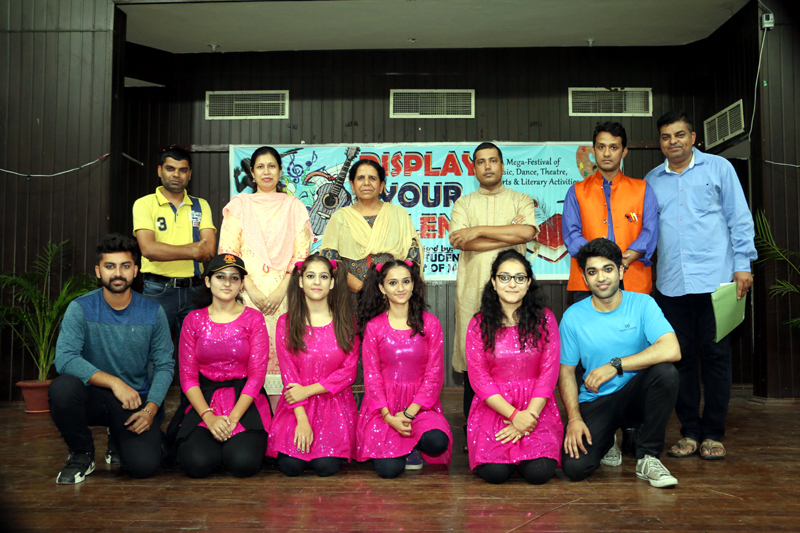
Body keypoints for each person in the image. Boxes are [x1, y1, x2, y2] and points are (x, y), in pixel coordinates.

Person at [645, 110, 757, 460]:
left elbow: (739, 219)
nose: (673, 142)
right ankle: (690, 432)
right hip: (672, 287)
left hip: (717, 283)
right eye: (666, 137)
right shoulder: (652, 181)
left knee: (717, 358)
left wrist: (743, 266)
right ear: (660, 143)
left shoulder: (719, 169)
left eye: (679, 135)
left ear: (693, 137)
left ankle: (713, 434)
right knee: (680, 362)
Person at [48, 234, 174, 484]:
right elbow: (65, 358)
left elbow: (165, 365)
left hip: (133, 401)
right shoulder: (80, 308)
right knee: (62, 388)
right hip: (92, 396)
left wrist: (150, 410)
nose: (118, 273)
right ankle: (81, 454)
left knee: (144, 466)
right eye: (110, 266)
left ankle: (118, 437)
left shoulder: (153, 312)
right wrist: (115, 382)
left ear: (135, 270)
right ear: (98, 271)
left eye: (125, 266)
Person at [559, 238, 681, 488]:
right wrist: (574, 419)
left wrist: (615, 365)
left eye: (608, 269)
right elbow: (566, 373)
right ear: (584, 277)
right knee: (575, 468)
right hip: (595, 399)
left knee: (666, 373)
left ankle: (648, 457)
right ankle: (608, 439)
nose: (601, 278)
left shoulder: (643, 303)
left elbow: (672, 349)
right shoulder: (573, 316)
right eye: (592, 272)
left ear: (621, 270)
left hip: (635, 395)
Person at [450, 142, 539, 447]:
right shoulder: (463, 203)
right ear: (473, 169)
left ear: (503, 166)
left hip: (512, 293)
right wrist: (504, 234)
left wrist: (479, 230)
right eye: (481, 162)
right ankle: (473, 433)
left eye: (493, 161)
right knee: (474, 359)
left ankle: (518, 423)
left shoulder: (520, 199)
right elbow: (460, 241)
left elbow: (527, 233)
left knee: (512, 356)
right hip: (472, 292)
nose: (487, 166)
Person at [320, 158, 422, 407]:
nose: (367, 183)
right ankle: (352, 412)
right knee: (351, 351)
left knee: (389, 351)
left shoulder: (397, 214)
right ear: (352, 185)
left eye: (372, 178)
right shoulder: (340, 217)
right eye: (360, 178)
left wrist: (389, 288)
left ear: (382, 184)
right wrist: (358, 285)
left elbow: (412, 253)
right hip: (349, 297)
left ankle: (393, 406)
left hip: (392, 297)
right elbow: (330, 258)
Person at [219, 146, 312, 404]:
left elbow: (302, 254)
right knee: (246, 358)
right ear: (252, 172)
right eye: (260, 167)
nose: (266, 171)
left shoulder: (294, 206)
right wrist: (251, 290)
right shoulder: (239, 205)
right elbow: (228, 252)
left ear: (280, 171)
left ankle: (279, 427)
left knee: (283, 362)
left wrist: (282, 289)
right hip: (245, 295)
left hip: (286, 296)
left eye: (272, 166)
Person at [165, 254, 270, 478]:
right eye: (220, 277)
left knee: (243, 464)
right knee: (197, 464)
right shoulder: (193, 320)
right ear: (207, 281)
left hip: (244, 398)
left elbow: (256, 376)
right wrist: (209, 417)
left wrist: (232, 420)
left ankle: (233, 445)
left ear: (242, 284)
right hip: (204, 399)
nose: (227, 283)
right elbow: (187, 377)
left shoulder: (254, 319)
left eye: (234, 278)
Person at [465, 249, 562, 484]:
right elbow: (479, 379)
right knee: (494, 474)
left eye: (519, 278)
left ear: (528, 283)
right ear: (494, 283)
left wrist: (528, 416)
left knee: (540, 473)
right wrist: (514, 415)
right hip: (496, 408)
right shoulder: (478, 324)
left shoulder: (545, 319)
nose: (512, 284)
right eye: (504, 277)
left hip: (536, 409)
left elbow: (549, 374)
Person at [355, 259, 452, 478]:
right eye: (393, 283)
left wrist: (409, 414)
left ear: (414, 285)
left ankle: (415, 444)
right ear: (382, 288)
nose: (400, 288)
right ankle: (401, 445)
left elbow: (434, 375)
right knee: (389, 471)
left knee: (438, 442)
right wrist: (389, 416)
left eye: (406, 281)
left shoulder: (430, 323)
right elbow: (372, 376)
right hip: (384, 408)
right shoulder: (374, 327)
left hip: (420, 406)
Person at [268, 255, 359, 476]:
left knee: (325, 467)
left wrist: (307, 390)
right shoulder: (286, 323)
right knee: (291, 467)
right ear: (300, 282)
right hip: (297, 405)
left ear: (332, 283)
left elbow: (348, 373)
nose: (317, 282)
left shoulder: (347, 321)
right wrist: (301, 419)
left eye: (323, 276)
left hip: (334, 403)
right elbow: (289, 375)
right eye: (310, 276)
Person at [562, 122, 658, 300]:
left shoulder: (643, 189)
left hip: (633, 279)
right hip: (588, 282)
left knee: (633, 328)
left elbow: (650, 232)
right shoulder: (576, 191)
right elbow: (571, 235)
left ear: (624, 152)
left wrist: (624, 260)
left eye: (614, 147)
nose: (607, 153)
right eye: (601, 147)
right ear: (593, 150)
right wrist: (600, 263)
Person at [133, 147, 216, 338]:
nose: (176, 174)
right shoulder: (144, 204)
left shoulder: (200, 205)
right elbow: (148, 249)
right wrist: (194, 250)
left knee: (195, 354)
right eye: (170, 169)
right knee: (154, 353)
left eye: (183, 170)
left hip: (195, 291)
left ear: (190, 174)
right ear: (159, 170)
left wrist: (167, 249)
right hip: (157, 290)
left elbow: (209, 250)